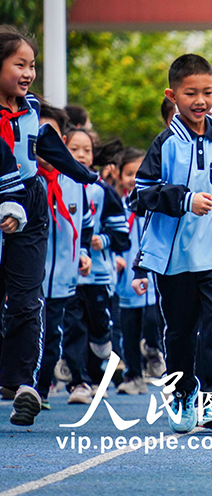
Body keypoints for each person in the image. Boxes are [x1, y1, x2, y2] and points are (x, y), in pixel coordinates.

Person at [129, 53, 212, 433]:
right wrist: (184, 200)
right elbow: (141, 193)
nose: (200, 101)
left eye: (206, 92)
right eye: (191, 93)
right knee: (180, 331)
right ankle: (182, 393)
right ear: (172, 96)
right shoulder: (165, 143)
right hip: (175, 259)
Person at [0, 27, 96, 427]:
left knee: (27, 299)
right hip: (4, 197)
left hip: (30, 203)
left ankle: (23, 383)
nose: (28, 73)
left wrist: (83, 173)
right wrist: (7, 199)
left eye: (32, 65)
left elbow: (46, 145)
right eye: (19, 64)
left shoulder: (31, 107)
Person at [61, 126, 130, 404]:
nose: (80, 155)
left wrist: (103, 239)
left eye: (86, 150)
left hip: (99, 275)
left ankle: (100, 350)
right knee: (73, 326)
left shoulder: (101, 190)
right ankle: (79, 382)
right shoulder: (56, 185)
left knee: (98, 328)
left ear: (93, 156)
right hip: (67, 274)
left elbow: (122, 234)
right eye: (74, 149)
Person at [34, 110, 93, 410]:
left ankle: (40, 390)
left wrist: (83, 253)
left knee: (53, 334)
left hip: (62, 277)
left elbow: (85, 224)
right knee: (27, 331)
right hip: (29, 276)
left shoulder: (75, 181)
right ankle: (21, 384)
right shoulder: (25, 180)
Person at [114, 147, 166, 395]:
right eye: (129, 174)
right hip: (127, 280)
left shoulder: (157, 202)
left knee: (154, 320)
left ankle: (154, 349)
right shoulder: (117, 206)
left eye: (139, 174)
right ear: (119, 176)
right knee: (129, 329)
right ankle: (133, 375)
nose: (134, 180)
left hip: (153, 276)